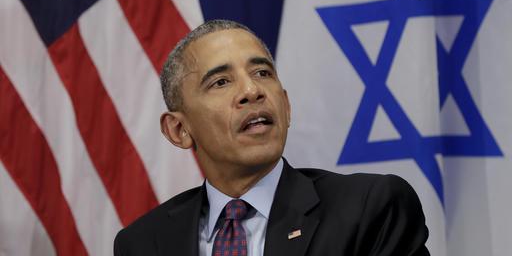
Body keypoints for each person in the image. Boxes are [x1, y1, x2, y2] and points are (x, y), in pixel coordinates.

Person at [114, 19, 430, 256]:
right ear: (179, 130)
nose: (252, 91)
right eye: (221, 82)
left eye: (262, 73)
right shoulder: (142, 244)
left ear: (287, 107)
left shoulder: (368, 208)